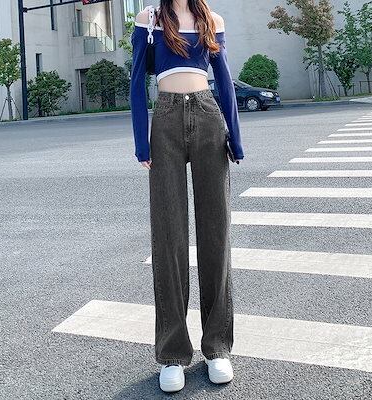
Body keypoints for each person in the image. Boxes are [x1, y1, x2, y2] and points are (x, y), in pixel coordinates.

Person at [129, 0, 244, 393]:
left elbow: (224, 79)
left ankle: (217, 348)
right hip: (165, 121)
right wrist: (141, 142)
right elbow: (136, 81)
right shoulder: (149, 19)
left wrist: (235, 137)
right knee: (169, 237)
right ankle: (173, 353)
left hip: (208, 117)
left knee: (216, 234)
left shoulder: (212, 20)